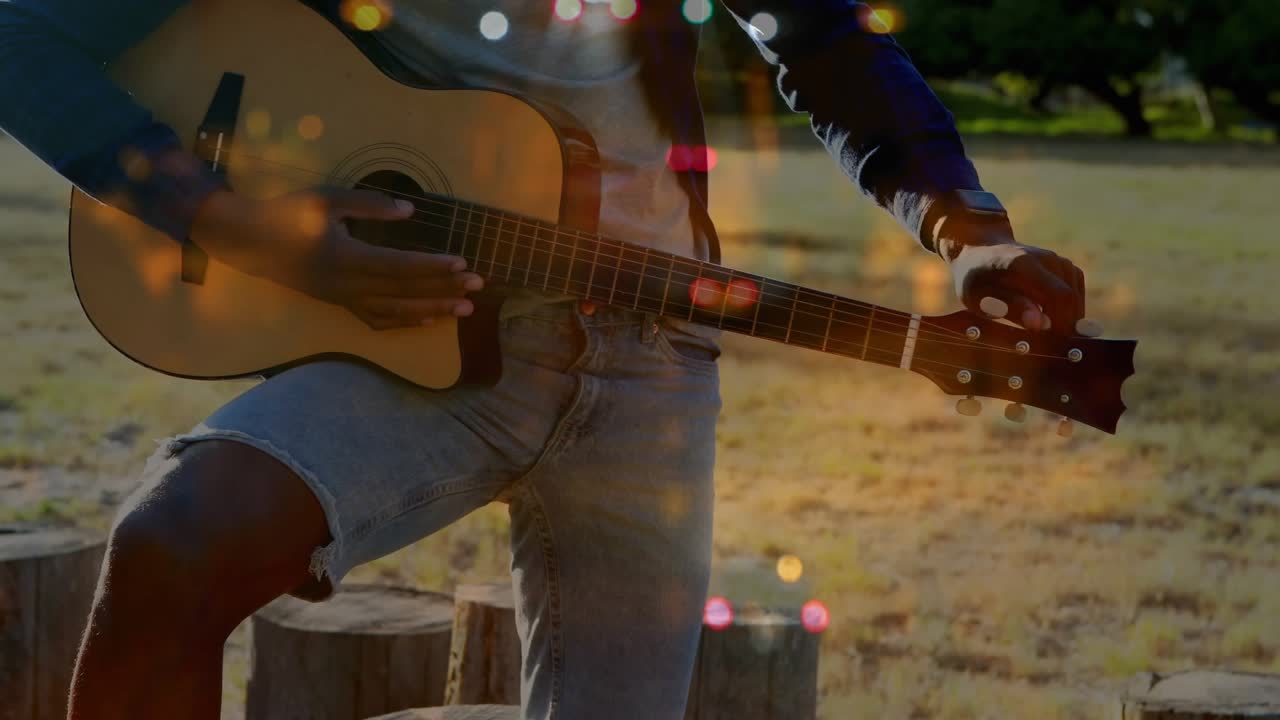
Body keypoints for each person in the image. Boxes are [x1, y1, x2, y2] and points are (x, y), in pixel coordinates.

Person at [0, 2, 1088, 718]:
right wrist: (231, 222)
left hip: (650, 362)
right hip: (409, 321)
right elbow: (24, 35)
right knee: (169, 547)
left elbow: (823, 36)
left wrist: (967, 227)